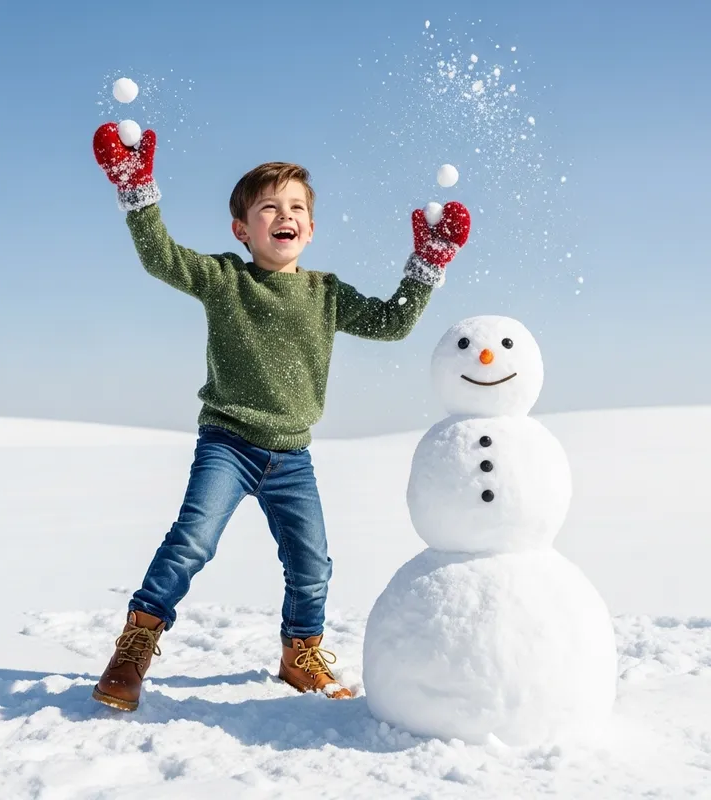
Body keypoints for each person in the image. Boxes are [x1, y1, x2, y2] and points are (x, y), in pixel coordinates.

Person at [90, 122, 471, 711]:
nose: (283, 215)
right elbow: (160, 258)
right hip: (227, 444)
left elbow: (391, 323)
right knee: (191, 541)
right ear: (243, 229)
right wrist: (136, 188)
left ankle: (300, 652)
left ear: (311, 228)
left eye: (295, 207)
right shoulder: (226, 279)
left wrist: (427, 264)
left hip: (292, 456)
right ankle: (135, 646)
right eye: (268, 208)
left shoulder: (325, 292)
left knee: (311, 560)